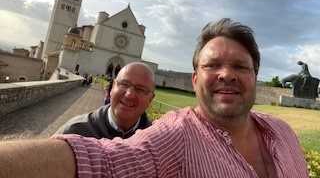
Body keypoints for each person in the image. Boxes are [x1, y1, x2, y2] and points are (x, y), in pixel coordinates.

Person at [0, 18, 308, 178]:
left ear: (255, 77)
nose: (226, 74)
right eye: (212, 65)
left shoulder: (283, 134)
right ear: (194, 79)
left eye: (240, 66)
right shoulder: (177, 136)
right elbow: (104, 163)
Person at [55, 62, 154, 139]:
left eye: (141, 89)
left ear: (151, 98)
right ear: (113, 87)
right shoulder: (74, 132)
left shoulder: (157, 141)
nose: (129, 94)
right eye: (124, 84)